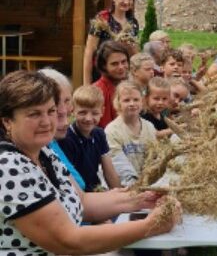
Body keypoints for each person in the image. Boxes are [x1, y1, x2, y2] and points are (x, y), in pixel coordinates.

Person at [0, 70, 180, 256]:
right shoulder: (8, 166)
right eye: (34, 114)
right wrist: (151, 225)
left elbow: (83, 202)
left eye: (51, 111)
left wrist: (143, 199)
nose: (46, 121)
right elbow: (68, 241)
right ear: (7, 121)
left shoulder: (43, 152)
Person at [58, 85, 121, 192]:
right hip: (79, 192)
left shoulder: (99, 134)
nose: (88, 118)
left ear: (102, 111)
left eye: (95, 113)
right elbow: (70, 179)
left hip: (96, 188)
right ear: (73, 110)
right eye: (82, 112)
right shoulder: (67, 138)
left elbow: (109, 171)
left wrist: (119, 194)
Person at [83, 0, 139, 84]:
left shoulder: (133, 23)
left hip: (123, 74)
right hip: (102, 74)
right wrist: (86, 83)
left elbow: (135, 55)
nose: (126, 2)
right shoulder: (102, 19)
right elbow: (89, 52)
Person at [40, 67, 86, 190]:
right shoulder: (39, 144)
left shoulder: (52, 142)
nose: (62, 109)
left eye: (67, 100)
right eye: (55, 102)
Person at [105, 80, 157, 186]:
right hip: (124, 185)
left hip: (148, 183)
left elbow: (153, 157)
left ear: (142, 101)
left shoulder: (149, 127)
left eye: (136, 99)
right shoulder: (112, 130)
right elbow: (119, 165)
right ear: (118, 103)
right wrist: (135, 186)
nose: (132, 104)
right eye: (126, 100)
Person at [93, 40, 129, 128]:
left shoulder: (125, 85)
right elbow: (105, 128)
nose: (121, 67)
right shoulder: (98, 91)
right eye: (114, 64)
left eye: (124, 61)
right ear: (104, 66)